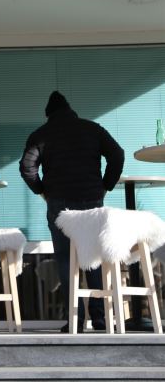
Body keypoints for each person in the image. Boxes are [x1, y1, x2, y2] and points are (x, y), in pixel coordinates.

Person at [20, 90, 124, 333]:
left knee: (67, 261)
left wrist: (42, 191)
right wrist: (105, 185)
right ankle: (100, 319)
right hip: (91, 201)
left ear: (48, 114)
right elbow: (117, 155)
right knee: (93, 258)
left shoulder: (41, 134)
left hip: (59, 204)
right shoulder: (92, 129)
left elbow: (27, 167)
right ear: (71, 110)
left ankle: (75, 320)